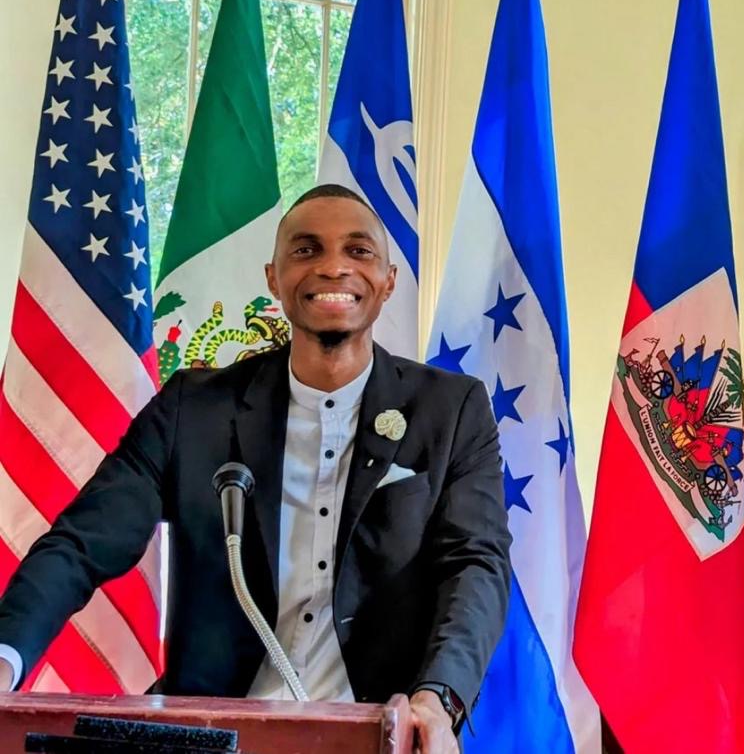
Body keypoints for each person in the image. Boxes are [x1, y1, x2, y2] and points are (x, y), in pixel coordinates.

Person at [0, 184, 512, 754]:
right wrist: (5, 655)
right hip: (211, 736)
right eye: (307, 249)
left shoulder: (451, 410)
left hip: (381, 734)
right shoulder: (193, 408)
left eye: (359, 251)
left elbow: (475, 566)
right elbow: (81, 544)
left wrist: (435, 700)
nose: (333, 266)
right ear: (274, 278)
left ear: (389, 279)